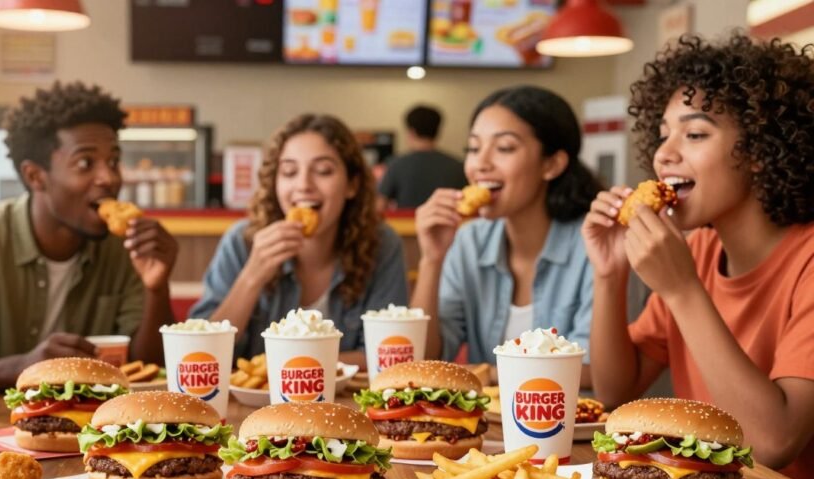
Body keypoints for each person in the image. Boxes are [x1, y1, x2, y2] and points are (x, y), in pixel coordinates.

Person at [583, 33, 814, 479]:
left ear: (759, 152)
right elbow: (615, 390)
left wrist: (682, 289)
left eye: (694, 134)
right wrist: (609, 274)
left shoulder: (805, 260)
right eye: (663, 134)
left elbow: (773, 443)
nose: (664, 154)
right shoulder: (700, 251)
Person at [0, 82, 177, 390]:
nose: (109, 178)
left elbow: (148, 368)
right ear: (35, 176)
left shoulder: (128, 247)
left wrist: (157, 288)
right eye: (85, 163)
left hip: (95, 417)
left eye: (113, 161)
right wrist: (24, 367)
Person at [412, 86, 600, 385]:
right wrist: (431, 260)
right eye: (473, 148)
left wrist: (485, 374)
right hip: (490, 416)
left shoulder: (595, 246)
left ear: (552, 164)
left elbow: (597, 373)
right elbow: (423, 360)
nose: (480, 164)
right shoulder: (469, 242)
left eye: (504, 148)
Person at [190, 114, 408, 364]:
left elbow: (385, 354)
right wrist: (252, 276)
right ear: (274, 183)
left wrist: (292, 367)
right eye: (289, 171)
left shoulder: (381, 244)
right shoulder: (242, 242)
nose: (303, 185)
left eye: (323, 171)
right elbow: (200, 356)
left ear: (352, 185)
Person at [379, 105, 466, 209]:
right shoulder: (458, 166)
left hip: (407, 220)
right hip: (447, 219)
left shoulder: (396, 164)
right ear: (437, 131)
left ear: (412, 132)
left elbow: (380, 205)